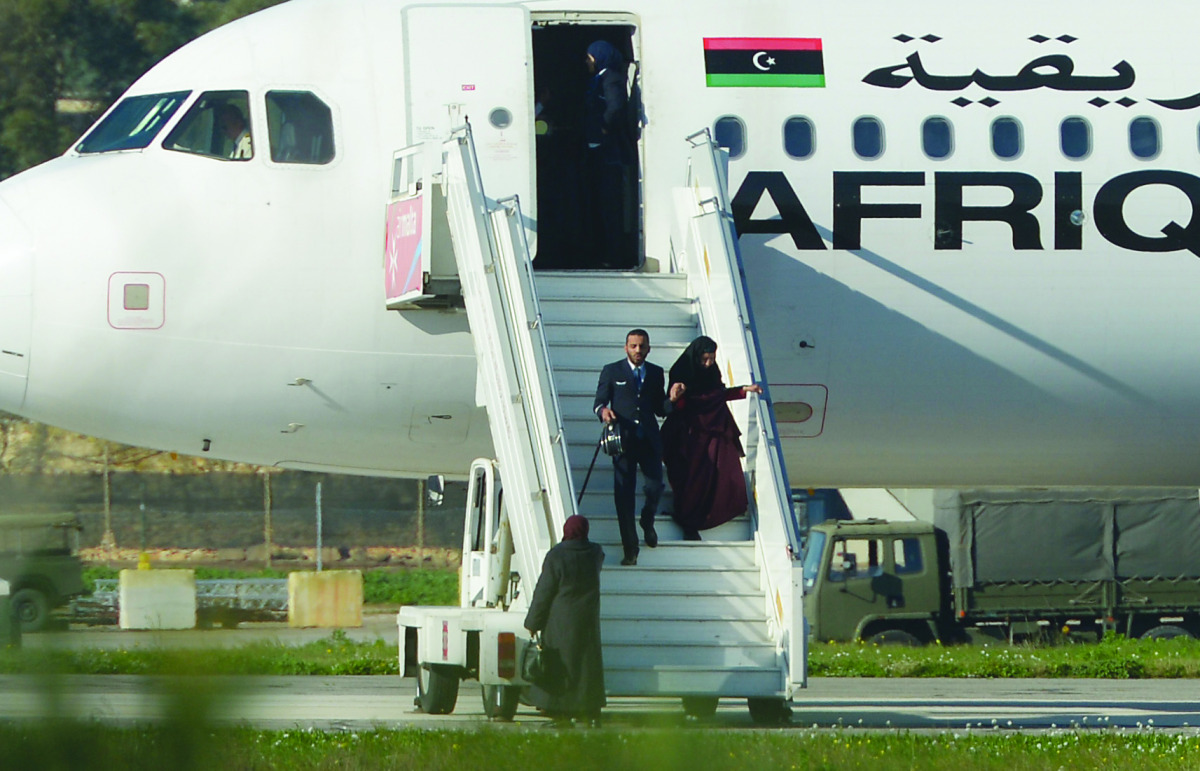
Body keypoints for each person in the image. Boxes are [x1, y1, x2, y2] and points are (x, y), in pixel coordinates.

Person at [593, 329, 684, 565]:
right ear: (626, 348)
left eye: (642, 346)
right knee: (624, 496)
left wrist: (672, 400)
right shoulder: (612, 371)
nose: (638, 350)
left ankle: (647, 520)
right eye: (633, 346)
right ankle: (630, 548)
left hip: (649, 439)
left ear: (649, 348)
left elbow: (659, 409)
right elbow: (599, 402)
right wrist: (604, 412)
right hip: (623, 441)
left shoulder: (655, 372)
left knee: (655, 486)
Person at [661, 336, 763, 540]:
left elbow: (718, 393)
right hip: (689, 433)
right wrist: (676, 397)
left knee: (715, 473)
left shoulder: (712, 373)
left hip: (713, 428)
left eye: (711, 359)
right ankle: (686, 518)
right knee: (688, 475)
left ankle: (703, 515)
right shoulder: (681, 371)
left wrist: (743, 390)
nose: (708, 364)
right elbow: (675, 404)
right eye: (704, 359)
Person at [523, 515, 606, 728]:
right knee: (586, 666)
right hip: (587, 619)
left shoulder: (557, 556)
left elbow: (544, 591)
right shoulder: (595, 553)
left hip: (561, 620)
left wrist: (533, 622)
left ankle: (560, 711)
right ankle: (589, 710)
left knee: (561, 666)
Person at [582, 40, 636, 269]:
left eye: (589, 57)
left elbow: (615, 107)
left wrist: (603, 127)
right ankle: (603, 252)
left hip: (608, 153)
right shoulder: (599, 78)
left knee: (610, 206)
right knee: (599, 205)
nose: (587, 62)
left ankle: (614, 255)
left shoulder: (611, 78)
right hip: (598, 150)